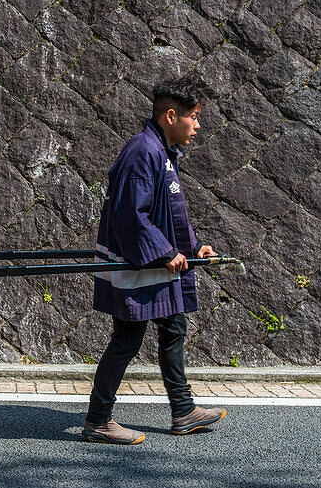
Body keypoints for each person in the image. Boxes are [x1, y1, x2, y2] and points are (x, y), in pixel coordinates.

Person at [82, 76, 226, 445]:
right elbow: (131, 213)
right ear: (171, 115)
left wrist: (193, 248)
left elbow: (170, 211)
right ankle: (98, 419)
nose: (198, 125)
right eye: (193, 117)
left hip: (152, 260)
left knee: (173, 326)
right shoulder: (143, 151)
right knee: (127, 340)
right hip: (137, 261)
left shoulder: (161, 151)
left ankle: (183, 410)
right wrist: (165, 252)